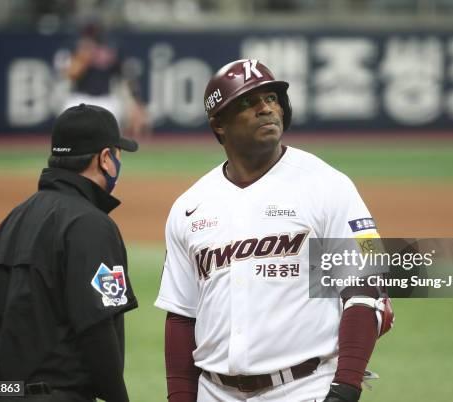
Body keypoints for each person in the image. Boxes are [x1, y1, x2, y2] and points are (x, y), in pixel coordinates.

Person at [154, 59, 393, 402]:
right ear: (218, 124)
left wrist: (346, 387)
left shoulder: (328, 185)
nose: (266, 109)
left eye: (271, 99)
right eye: (248, 102)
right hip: (213, 392)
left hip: (303, 387)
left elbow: (366, 285)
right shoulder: (190, 206)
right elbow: (181, 316)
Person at [0, 104, 139, 402]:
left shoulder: (13, 220)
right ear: (105, 159)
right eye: (118, 154)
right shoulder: (91, 224)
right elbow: (98, 329)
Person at [60, 20, 149, 139]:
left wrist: (137, 104)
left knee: (110, 139)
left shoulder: (110, 48)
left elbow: (128, 77)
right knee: (69, 135)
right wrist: (83, 56)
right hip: (79, 98)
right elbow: (71, 75)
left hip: (105, 100)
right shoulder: (75, 47)